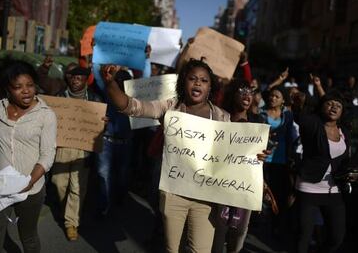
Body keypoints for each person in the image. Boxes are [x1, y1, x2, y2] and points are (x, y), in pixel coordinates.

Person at [101, 59, 268, 253]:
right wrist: (110, 83)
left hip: (206, 198)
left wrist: (256, 156)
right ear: (183, 83)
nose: (198, 83)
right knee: (173, 249)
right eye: (192, 78)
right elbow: (131, 106)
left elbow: (235, 154)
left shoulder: (223, 117)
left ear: (210, 86)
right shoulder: (170, 108)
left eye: (204, 80)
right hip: (174, 194)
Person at [0, 61, 57, 253]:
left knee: (28, 236)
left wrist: (30, 181)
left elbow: (48, 153)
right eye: (18, 87)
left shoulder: (46, 115)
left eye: (30, 85)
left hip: (30, 189)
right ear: (7, 89)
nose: (26, 91)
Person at [292, 82, 351, 253]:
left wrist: (350, 173)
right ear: (321, 106)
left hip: (333, 190)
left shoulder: (344, 131)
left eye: (338, 106)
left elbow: (344, 159)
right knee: (303, 235)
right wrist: (301, 100)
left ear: (342, 112)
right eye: (329, 103)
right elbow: (300, 116)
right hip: (309, 187)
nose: (334, 107)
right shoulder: (312, 124)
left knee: (336, 237)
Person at [212, 78, 265, 253]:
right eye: (242, 91)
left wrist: (263, 155)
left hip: (245, 185)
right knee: (219, 228)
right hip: (221, 183)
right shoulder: (221, 118)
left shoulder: (258, 122)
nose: (247, 95)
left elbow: (258, 156)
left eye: (250, 92)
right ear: (232, 94)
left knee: (240, 231)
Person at [50, 66, 102, 241]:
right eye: (73, 77)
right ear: (69, 79)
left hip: (83, 149)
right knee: (59, 183)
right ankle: (68, 209)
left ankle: (71, 223)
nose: (76, 79)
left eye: (80, 77)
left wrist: (104, 124)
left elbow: (99, 127)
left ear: (86, 79)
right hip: (62, 148)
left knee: (78, 188)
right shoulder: (58, 97)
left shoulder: (95, 99)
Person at [95, 69, 133, 217]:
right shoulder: (106, 95)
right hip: (107, 141)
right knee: (103, 174)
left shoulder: (136, 100)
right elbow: (97, 74)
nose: (122, 84)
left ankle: (120, 199)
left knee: (122, 176)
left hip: (126, 143)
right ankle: (104, 206)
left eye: (125, 82)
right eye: (119, 81)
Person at [259, 85, 294, 239]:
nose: (273, 98)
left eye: (277, 97)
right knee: (264, 194)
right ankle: (260, 224)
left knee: (280, 195)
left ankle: (276, 226)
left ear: (283, 101)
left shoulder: (288, 116)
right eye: (271, 95)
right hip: (264, 160)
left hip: (281, 162)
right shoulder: (261, 114)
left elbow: (290, 137)